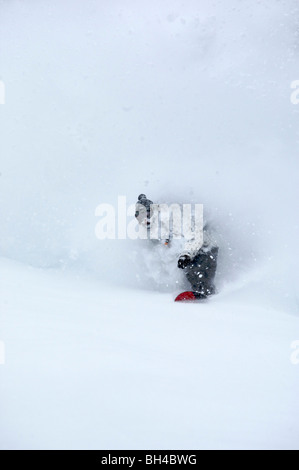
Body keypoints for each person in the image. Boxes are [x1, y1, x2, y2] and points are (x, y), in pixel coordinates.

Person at [135, 194, 218, 299]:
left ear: (151, 211)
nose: (145, 221)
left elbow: (195, 237)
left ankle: (209, 298)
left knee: (197, 274)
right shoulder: (152, 227)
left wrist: (186, 255)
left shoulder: (174, 216)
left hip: (205, 246)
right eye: (141, 219)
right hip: (185, 252)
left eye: (147, 216)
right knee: (185, 275)